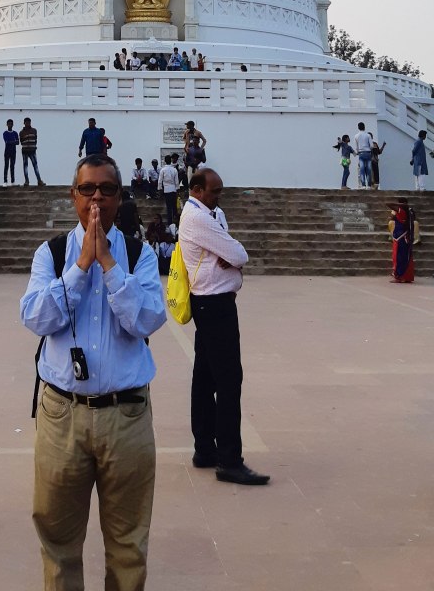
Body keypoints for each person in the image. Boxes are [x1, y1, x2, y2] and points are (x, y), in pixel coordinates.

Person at [20, 154, 165, 590]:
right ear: (73, 196)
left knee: (128, 542)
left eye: (106, 188)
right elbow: (36, 318)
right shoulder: (52, 253)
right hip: (63, 413)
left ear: (120, 196)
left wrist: (108, 264)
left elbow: (145, 320)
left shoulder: (138, 255)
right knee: (58, 537)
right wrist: (81, 266)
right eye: (87, 189)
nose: (96, 197)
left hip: (127, 416)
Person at [179, 168, 270, 485]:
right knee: (229, 380)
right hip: (214, 304)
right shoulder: (198, 217)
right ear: (196, 189)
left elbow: (228, 247)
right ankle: (230, 459)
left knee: (204, 378)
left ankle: (205, 448)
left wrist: (227, 251)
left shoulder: (209, 213)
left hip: (210, 303)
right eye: (214, 191)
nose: (219, 197)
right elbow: (237, 253)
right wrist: (229, 253)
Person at [388, 197, 416, 284]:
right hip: (403, 236)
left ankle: (400, 277)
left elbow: (387, 203)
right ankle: (405, 276)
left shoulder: (403, 211)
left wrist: (399, 205)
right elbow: (393, 217)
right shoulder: (408, 211)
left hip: (401, 237)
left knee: (399, 257)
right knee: (404, 257)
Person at [20, 117, 46, 187]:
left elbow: (35, 139)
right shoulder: (21, 132)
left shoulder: (34, 130)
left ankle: (39, 181)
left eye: (29, 122)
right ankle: (26, 181)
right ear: (24, 123)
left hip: (32, 150)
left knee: (35, 166)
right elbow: (21, 142)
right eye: (26, 122)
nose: (28, 124)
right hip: (25, 151)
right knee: (25, 166)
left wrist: (32, 146)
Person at [159, 155, 180, 227]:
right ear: (170, 160)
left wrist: (160, 189)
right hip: (173, 189)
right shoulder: (174, 169)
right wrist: (177, 189)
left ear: (165, 161)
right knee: (174, 207)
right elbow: (177, 181)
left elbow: (160, 181)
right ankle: (176, 224)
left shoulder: (163, 170)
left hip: (166, 190)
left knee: (169, 208)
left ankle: (170, 224)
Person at [353, 122, 374, 189]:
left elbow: (356, 148)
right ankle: (369, 185)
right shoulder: (368, 135)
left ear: (358, 128)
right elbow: (372, 146)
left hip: (361, 154)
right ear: (364, 127)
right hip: (368, 153)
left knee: (362, 169)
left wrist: (358, 151)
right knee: (368, 169)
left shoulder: (356, 136)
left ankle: (363, 185)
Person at [3, 119, 20, 187]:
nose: (10, 125)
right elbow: (6, 142)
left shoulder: (15, 133)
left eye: (11, 124)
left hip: (13, 152)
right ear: (7, 124)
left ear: (13, 124)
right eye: (9, 124)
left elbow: (18, 142)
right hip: (7, 151)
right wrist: (14, 142)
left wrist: (11, 142)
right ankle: (5, 181)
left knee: (12, 166)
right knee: (6, 166)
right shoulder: (5, 133)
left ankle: (13, 181)